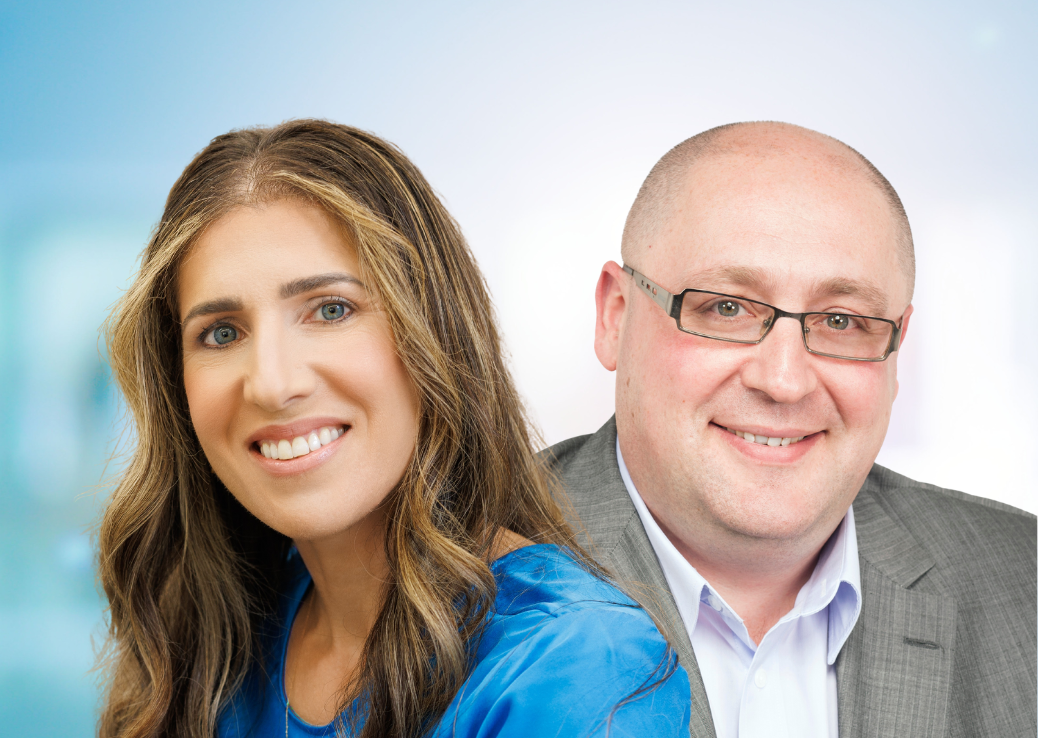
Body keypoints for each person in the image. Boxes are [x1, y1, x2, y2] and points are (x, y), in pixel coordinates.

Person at [94, 119, 689, 738]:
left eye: (331, 310)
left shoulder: (577, 667)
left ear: (436, 333)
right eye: (221, 333)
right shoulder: (218, 641)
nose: (271, 384)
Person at [545, 121, 1037, 738]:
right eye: (726, 307)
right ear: (615, 317)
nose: (783, 381)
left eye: (841, 321)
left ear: (897, 351)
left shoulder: (1025, 584)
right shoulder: (454, 581)